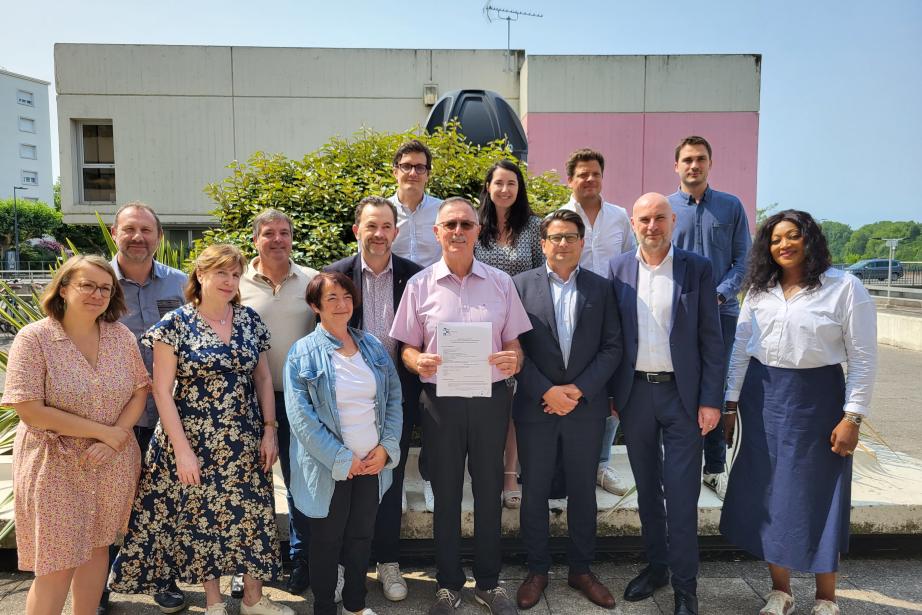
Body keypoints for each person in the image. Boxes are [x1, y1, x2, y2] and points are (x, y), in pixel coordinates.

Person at [109, 244, 293, 615]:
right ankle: (214, 602)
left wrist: (270, 430)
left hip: (243, 436)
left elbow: (262, 376)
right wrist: (182, 450)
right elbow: (160, 389)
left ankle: (254, 599)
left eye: (235, 274)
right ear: (201, 275)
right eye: (221, 272)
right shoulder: (175, 325)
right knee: (201, 516)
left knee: (252, 514)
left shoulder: (249, 319)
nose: (229, 281)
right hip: (193, 437)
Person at [720, 210, 877, 615]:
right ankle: (781, 590)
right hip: (763, 397)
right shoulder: (758, 290)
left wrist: (852, 416)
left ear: (809, 239)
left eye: (792, 236)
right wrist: (730, 404)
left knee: (820, 492)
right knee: (769, 492)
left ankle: (826, 596)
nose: (783, 245)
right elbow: (740, 350)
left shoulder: (845, 287)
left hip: (819, 399)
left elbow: (863, 357)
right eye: (775, 240)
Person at [390, 197, 532, 615]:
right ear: (437, 233)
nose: (457, 230)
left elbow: (515, 345)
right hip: (440, 400)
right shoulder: (419, 285)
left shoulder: (501, 283)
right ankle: (448, 584)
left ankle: (489, 583)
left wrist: (514, 360)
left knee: (489, 490)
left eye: (465, 224)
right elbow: (407, 349)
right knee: (447, 491)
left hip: (490, 399)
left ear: (477, 231)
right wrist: (419, 361)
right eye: (449, 224)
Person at [2, 254, 149, 615]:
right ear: (64, 288)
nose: (97, 294)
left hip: (110, 461)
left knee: (98, 548)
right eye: (88, 285)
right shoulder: (34, 338)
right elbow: (29, 408)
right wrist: (107, 434)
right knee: (56, 561)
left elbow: (139, 390)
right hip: (55, 463)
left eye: (105, 288)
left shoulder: (120, 336)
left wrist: (115, 438)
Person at [608, 193, 724, 615]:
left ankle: (685, 587)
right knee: (646, 493)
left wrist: (712, 400)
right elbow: (613, 339)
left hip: (683, 398)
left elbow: (712, 340)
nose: (652, 226)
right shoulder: (618, 269)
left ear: (673, 221)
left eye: (660, 218)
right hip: (636, 396)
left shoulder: (697, 269)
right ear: (633, 224)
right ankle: (656, 567)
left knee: (681, 493)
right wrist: (612, 397)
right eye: (644, 219)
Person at [512, 210, 622, 610]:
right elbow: (513, 348)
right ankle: (537, 569)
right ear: (542, 244)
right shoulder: (519, 286)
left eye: (570, 236)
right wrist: (547, 390)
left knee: (582, 491)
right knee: (535, 491)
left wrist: (578, 389)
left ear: (581, 242)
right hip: (535, 406)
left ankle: (581, 570)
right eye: (555, 237)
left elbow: (613, 346)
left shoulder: (602, 288)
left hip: (585, 407)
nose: (562, 243)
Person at [284, 271, 403, 615]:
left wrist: (386, 449)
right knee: (325, 541)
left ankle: (355, 606)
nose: (341, 305)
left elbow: (393, 398)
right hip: (329, 468)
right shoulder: (302, 353)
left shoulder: (372, 345)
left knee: (361, 538)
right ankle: (324, 607)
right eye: (331, 298)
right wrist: (340, 457)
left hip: (371, 463)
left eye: (347, 297)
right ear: (315, 306)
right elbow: (300, 417)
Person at [324, 196, 423, 602]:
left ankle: (388, 561)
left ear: (395, 233)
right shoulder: (335, 276)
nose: (379, 234)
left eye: (386, 227)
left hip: (398, 395)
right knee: (349, 479)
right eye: (371, 226)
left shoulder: (415, 277)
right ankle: (349, 566)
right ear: (357, 231)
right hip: (349, 397)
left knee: (390, 477)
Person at [104, 201, 188, 615]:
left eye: (146, 230)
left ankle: (163, 578)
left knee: (163, 501)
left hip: (166, 414)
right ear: (115, 233)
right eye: (129, 229)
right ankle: (97, 588)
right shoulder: (97, 281)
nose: (138, 237)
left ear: (159, 236)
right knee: (107, 500)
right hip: (110, 415)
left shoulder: (181, 284)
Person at [239, 209, 319, 597]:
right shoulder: (235, 282)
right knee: (248, 481)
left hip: (298, 397)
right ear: (255, 239)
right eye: (268, 233)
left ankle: (300, 558)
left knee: (298, 480)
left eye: (284, 233)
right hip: (245, 398)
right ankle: (248, 562)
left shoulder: (310, 279)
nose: (277, 240)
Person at [668, 136, 752, 500]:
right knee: (679, 385)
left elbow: (744, 261)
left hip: (723, 313)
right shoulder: (667, 209)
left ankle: (715, 468)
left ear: (709, 164)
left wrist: (719, 293)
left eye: (700, 159)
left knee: (716, 387)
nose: (693, 165)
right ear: (676, 166)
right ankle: (678, 463)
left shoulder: (731, 207)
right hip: (679, 316)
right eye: (687, 160)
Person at [560, 148, 635, 498]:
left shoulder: (620, 217)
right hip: (569, 310)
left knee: (609, 388)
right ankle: (569, 461)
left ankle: (601, 463)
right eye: (582, 174)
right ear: (570, 179)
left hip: (612, 309)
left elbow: (633, 262)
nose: (589, 179)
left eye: (595, 174)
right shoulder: (557, 217)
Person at [473, 159, 544, 509]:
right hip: (481, 325)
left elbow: (539, 275)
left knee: (516, 399)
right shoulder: (475, 225)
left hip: (521, 323)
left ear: (519, 189)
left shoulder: (533, 226)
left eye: (511, 184)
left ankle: (510, 472)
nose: (504, 189)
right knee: (487, 399)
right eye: (498, 183)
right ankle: (484, 468)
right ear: (488, 187)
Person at [389, 139, 444, 267]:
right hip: (393, 285)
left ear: (428, 175)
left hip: (433, 286)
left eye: (420, 168)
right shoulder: (381, 212)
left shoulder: (443, 211)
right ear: (395, 172)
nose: (413, 173)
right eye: (406, 166)